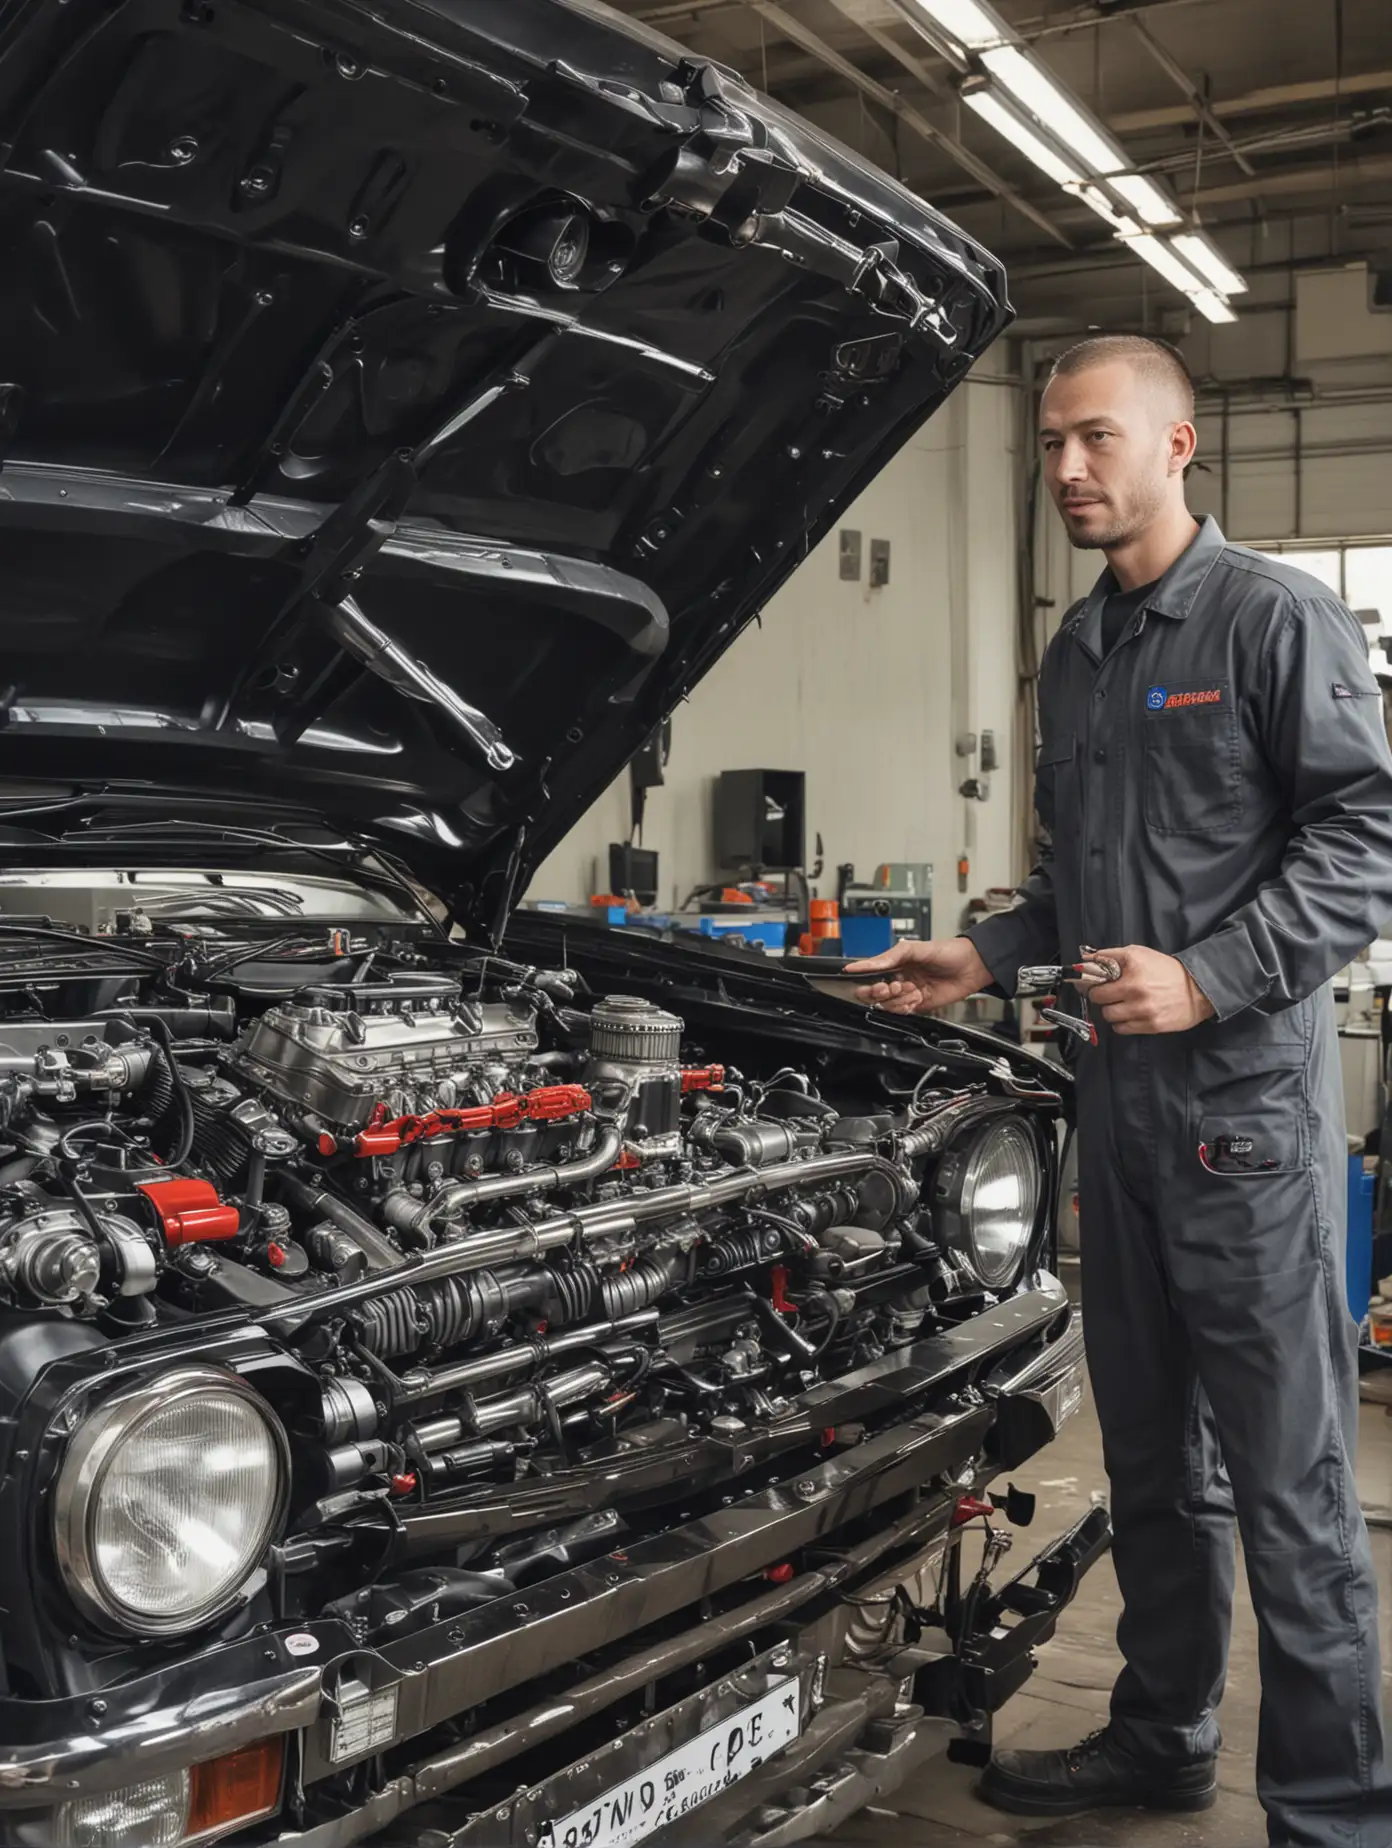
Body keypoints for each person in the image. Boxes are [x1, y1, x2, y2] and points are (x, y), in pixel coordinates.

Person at [848, 334, 1392, 1848]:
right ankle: (1164, 1739)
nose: (1071, 469)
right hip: (1120, 1124)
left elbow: (1364, 847)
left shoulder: (1276, 620)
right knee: (1151, 1466)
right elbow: (1080, 889)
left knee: (1292, 1501)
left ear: (1176, 445)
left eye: (1097, 439)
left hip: (1245, 1135)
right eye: (1051, 447)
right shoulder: (1078, 650)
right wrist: (988, 952)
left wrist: (1213, 977)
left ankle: (1339, 1818)